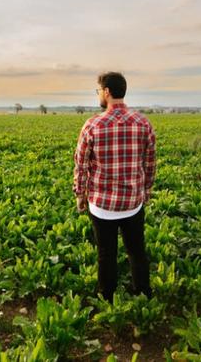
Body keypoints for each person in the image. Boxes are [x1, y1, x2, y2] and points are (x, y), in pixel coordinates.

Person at [73, 71, 156, 302]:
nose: (98, 94)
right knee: (137, 252)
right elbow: (150, 162)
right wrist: (146, 191)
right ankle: (143, 296)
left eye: (99, 90)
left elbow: (81, 164)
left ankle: (106, 298)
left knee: (106, 255)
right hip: (132, 203)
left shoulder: (92, 125)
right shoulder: (142, 123)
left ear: (107, 92)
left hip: (101, 205)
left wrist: (80, 194)